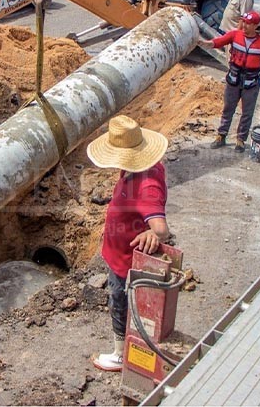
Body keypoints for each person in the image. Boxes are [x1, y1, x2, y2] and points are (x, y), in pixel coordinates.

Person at [88, 115, 170, 372]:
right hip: (118, 254)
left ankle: (120, 354)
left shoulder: (146, 186)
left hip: (126, 262)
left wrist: (153, 233)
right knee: (121, 300)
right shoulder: (141, 168)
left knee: (120, 302)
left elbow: (161, 228)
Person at [201, 11, 260, 152]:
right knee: (228, 108)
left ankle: (241, 140)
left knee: (247, 112)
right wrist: (203, 43)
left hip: (250, 83)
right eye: (244, 22)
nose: (244, 25)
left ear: (255, 26)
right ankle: (221, 135)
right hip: (233, 80)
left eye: (248, 23)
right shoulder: (235, 35)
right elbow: (217, 42)